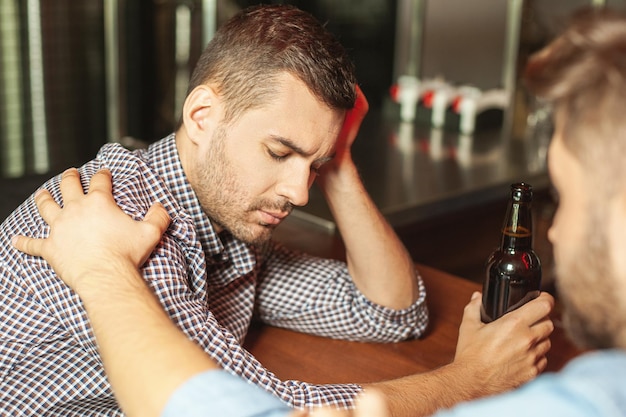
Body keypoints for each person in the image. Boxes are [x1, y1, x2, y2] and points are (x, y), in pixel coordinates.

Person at [1, 4, 553, 417]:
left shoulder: (226, 220)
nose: (299, 192)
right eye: (279, 151)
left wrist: (335, 162)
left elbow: (392, 311)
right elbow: (266, 409)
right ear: (201, 116)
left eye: (313, 165)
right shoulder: (125, 222)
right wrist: (470, 381)